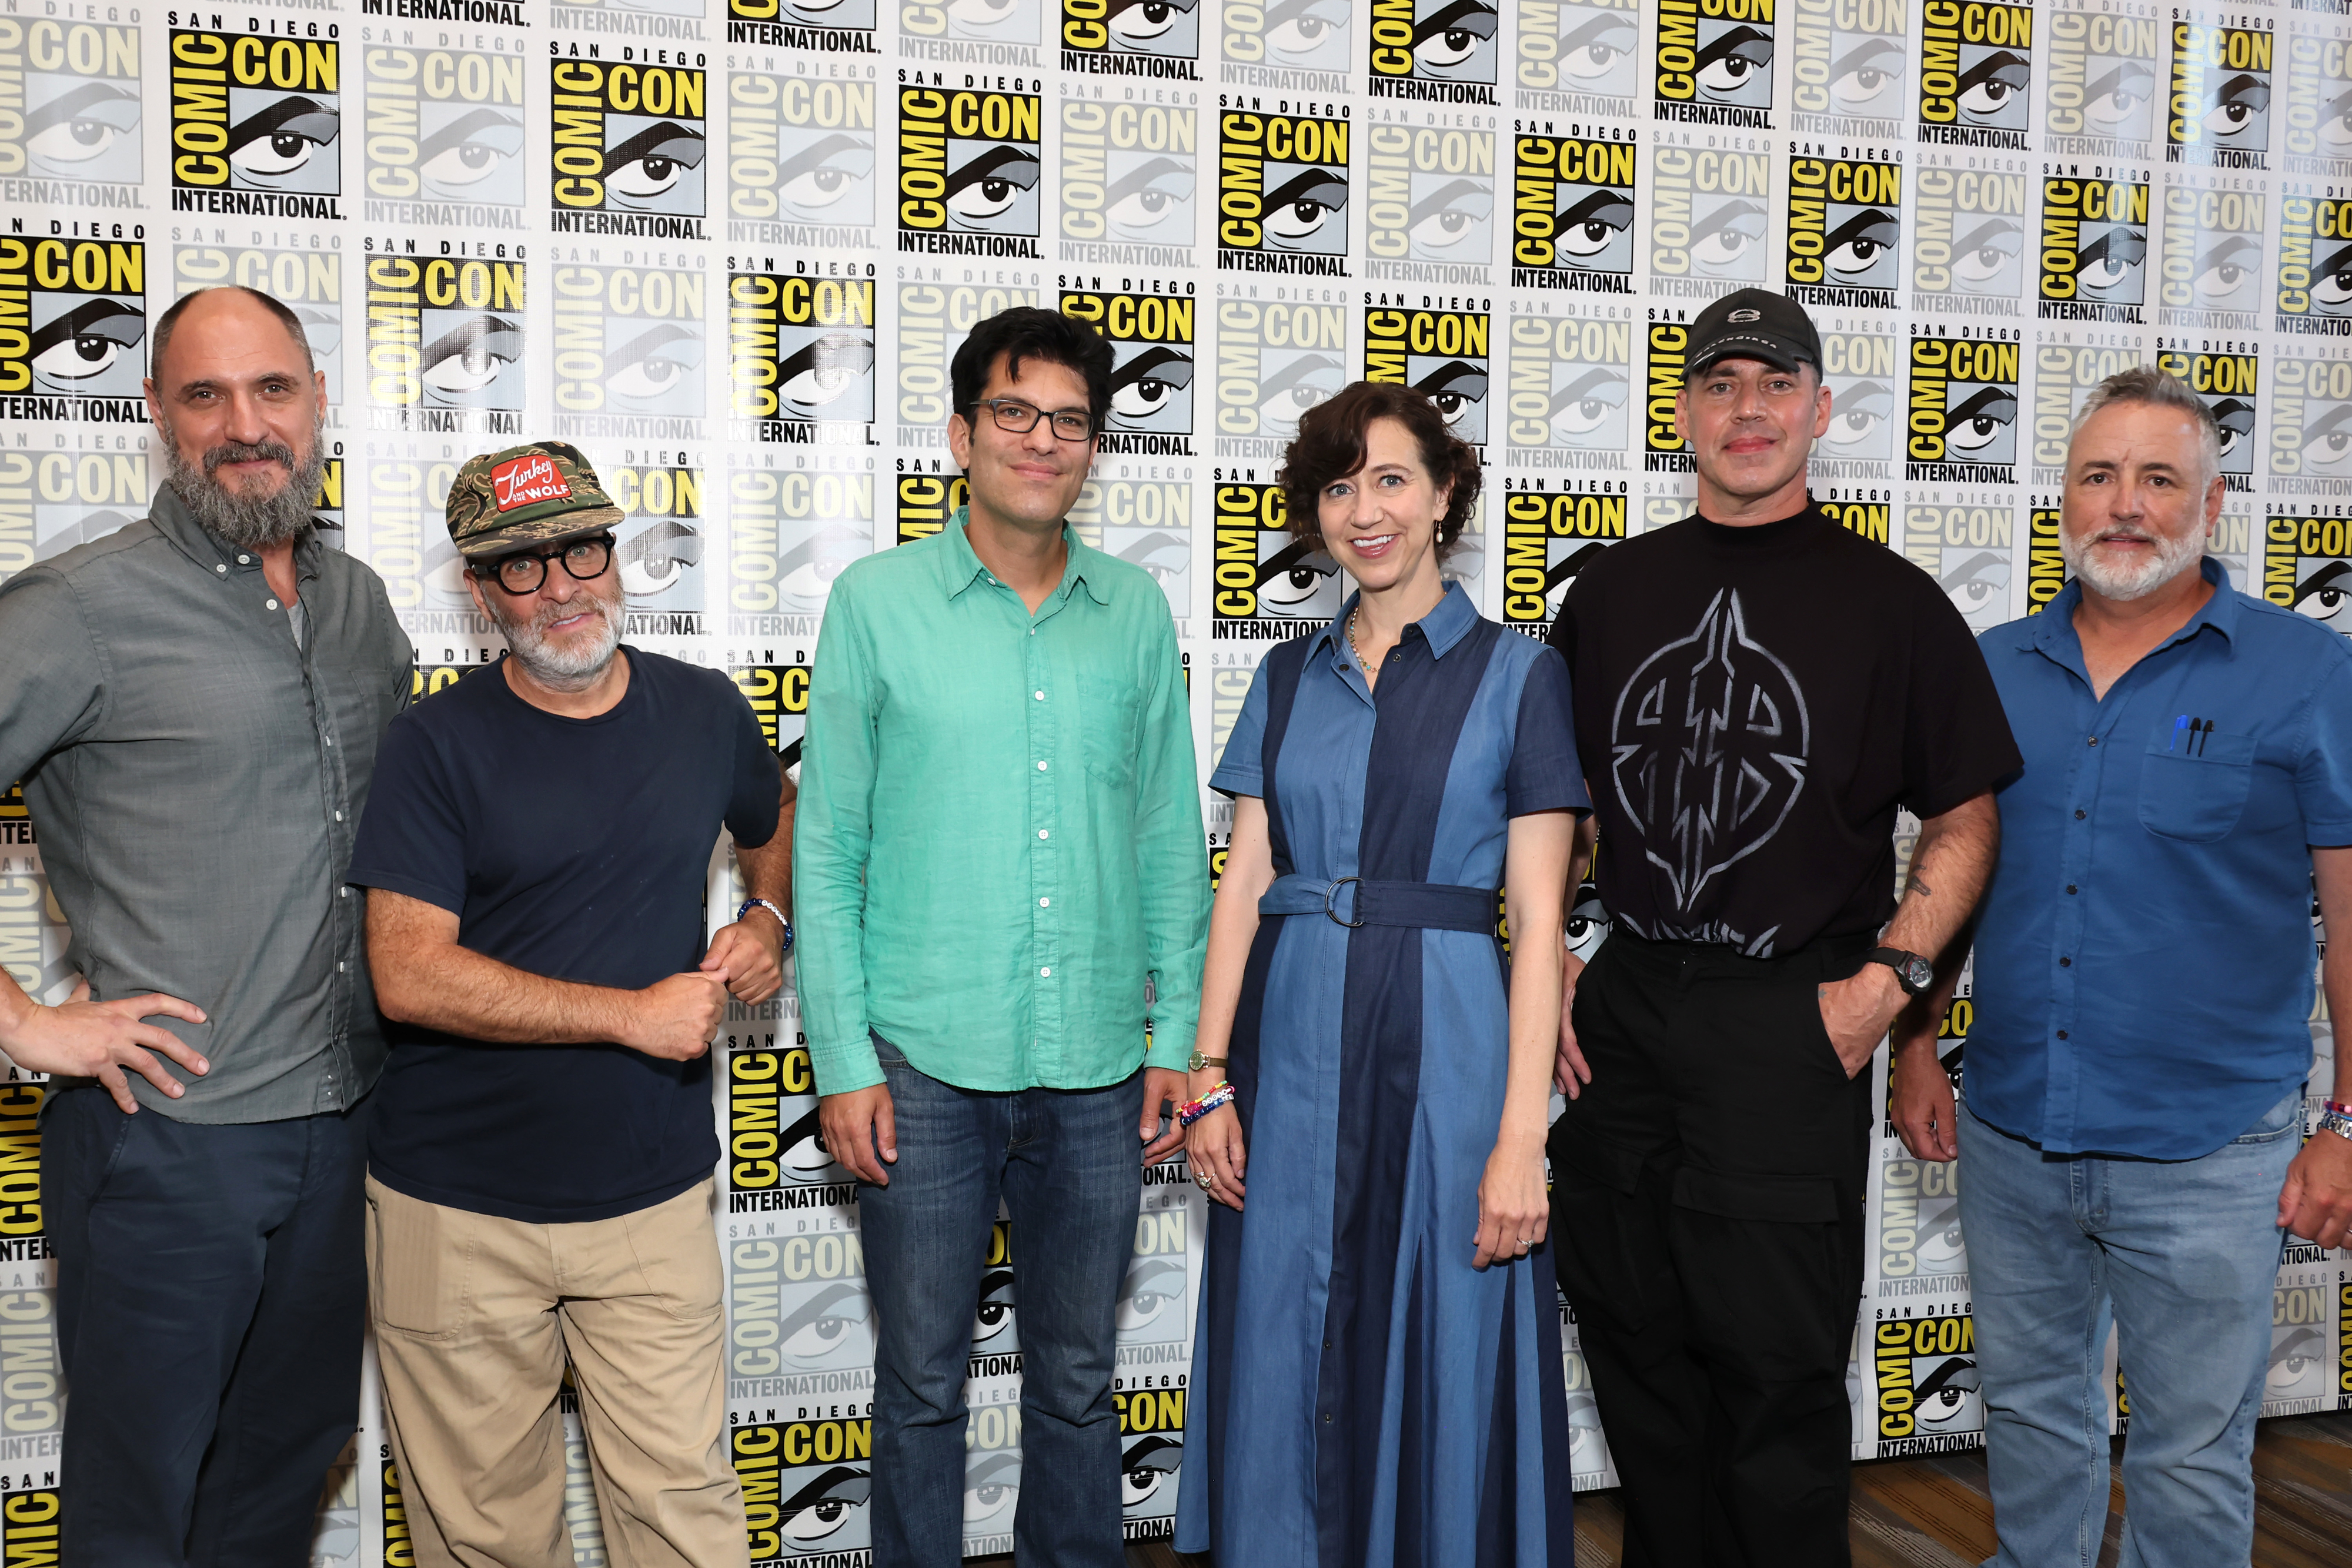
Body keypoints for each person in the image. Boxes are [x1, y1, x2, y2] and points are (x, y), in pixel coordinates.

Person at [1543, 288, 2021, 1567]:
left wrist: (1888, 987)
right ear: (1681, 413)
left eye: (1771, 385)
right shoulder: (1606, 592)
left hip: (1792, 1012)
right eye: (1715, 385)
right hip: (1630, 1003)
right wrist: (1540, 966)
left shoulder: (1892, 602)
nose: (1742, 410)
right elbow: (1550, 809)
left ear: (1820, 409)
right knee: (1631, 1338)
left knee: (1775, 1370)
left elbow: (1966, 820)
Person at [1891, 366, 2352, 1568]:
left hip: (2210, 1148)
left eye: (2158, 477)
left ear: (2209, 506)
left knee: (2191, 1451)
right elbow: (1953, 871)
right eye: (2097, 475)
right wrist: (1914, 1042)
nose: (2125, 503)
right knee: (2033, 1414)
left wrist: (2347, 1117)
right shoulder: (1985, 667)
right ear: (2060, 502)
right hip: (2008, 1127)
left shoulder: (2305, 673)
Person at [0, 284, 411, 1565]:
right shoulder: (77, 607)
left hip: (343, 1130)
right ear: (157, 418)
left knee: (277, 1488)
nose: (246, 423)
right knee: (137, 1511)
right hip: (167, 1143)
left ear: (318, 403)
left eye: (272, 389)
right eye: (206, 394)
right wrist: (24, 1022)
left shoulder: (359, 605)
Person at [795, 306, 1208, 1567]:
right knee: (920, 1380)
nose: (1042, 440)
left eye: (1070, 420)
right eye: (1015, 413)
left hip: (1093, 1066)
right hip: (919, 1059)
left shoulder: (1133, 609)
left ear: (1094, 446)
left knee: (1078, 1381)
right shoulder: (874, 603)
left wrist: (1175, 1036)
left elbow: (1161, 837)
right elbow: (827, 849)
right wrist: (844, 1062)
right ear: (963, 431)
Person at [349, 441, 791, 1567]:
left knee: (686, 1519)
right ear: (478, 589)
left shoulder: (702, 709)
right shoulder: (432, 743)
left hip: (647, 1198)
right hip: (458, 1211)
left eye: (580, 550)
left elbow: (776, 813)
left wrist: (766, 922)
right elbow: (407, 972)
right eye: (521, 569)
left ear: (617, 548)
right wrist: (627, 1014)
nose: (561, 589)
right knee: (487, 1538)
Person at [1175, 381, 1586, 1564]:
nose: (1365, 508)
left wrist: (1522, 1138)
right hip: (1290, 1042)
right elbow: (1245, 881)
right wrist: (1209, 1075)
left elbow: (1538, 915)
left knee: (1443, 1326)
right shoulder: (1287, 676)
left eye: (1391, 477)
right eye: (1339, 484)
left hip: (1450, 1049)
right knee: (1283, 1323)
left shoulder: (1520, 675)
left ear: (1444, 493)